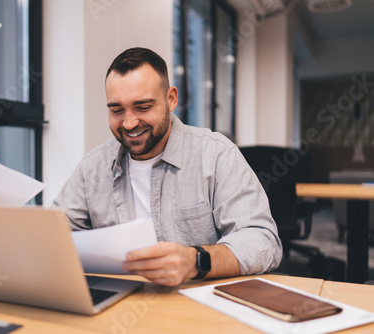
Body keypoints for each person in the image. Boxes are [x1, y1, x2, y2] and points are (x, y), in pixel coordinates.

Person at [53, 47, 282, 286]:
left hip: (196, 307)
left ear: (171, 99)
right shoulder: (92, 167)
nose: (129, 123)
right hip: (120, 302)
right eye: (117, 110)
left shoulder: (216, 155)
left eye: (143, 107)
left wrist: (195, 261)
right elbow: (54, 237)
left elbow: (263, 242)